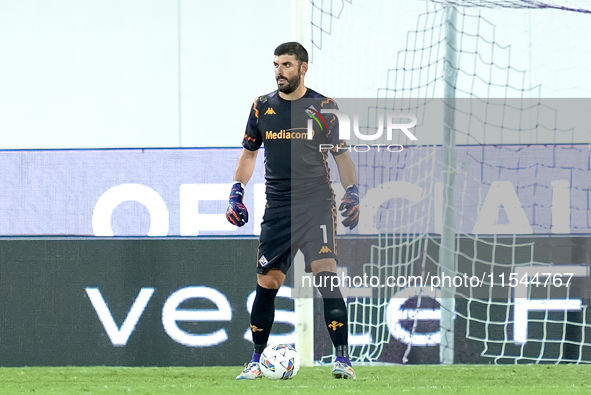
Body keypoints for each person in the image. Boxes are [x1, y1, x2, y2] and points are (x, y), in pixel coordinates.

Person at [226, 42, 359, 380]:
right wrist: (235, 193)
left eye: (286, 65)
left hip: (317, 206)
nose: (278, 71)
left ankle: (342, 359)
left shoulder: (325, 107)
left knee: (326, 275)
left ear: (303, 67)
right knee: (267, 284)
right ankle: (256, 361)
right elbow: (249, 155)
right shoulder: (261, 107)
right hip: (279, 209)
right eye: (275, 65)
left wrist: (353, 192)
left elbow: (342, 157)